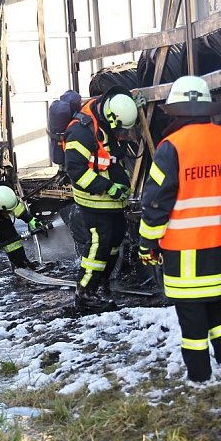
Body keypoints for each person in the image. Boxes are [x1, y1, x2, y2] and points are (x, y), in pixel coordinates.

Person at [138, 75, 221, 383]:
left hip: (186, 252)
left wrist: (147, 244)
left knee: (191, 317)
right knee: (216, 308)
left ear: (176, 112)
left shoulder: (172, 147)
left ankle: (199, 377)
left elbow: (156, 203)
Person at [63, 85, 142, 312]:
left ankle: (101, 283)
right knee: (99, 245)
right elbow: (76, 171)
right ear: (110, 117)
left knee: (114, 242)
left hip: (113, 200)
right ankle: (85, 293)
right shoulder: (80, 132)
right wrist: (109, 187)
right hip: (94, 201)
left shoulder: (106, 111)